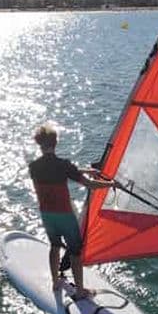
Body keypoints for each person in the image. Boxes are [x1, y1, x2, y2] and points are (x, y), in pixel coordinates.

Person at [28, 123, 115, 300]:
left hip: (47, 215)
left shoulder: (34, 167)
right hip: (65, 216)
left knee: (54, 246)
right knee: (75, 252)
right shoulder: (64, 165)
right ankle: (80, 290)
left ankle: (55, 281)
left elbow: (56, 170)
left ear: (39, 144)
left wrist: (83, 170)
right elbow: (90, 184)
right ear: (56, 142)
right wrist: (112, 184)